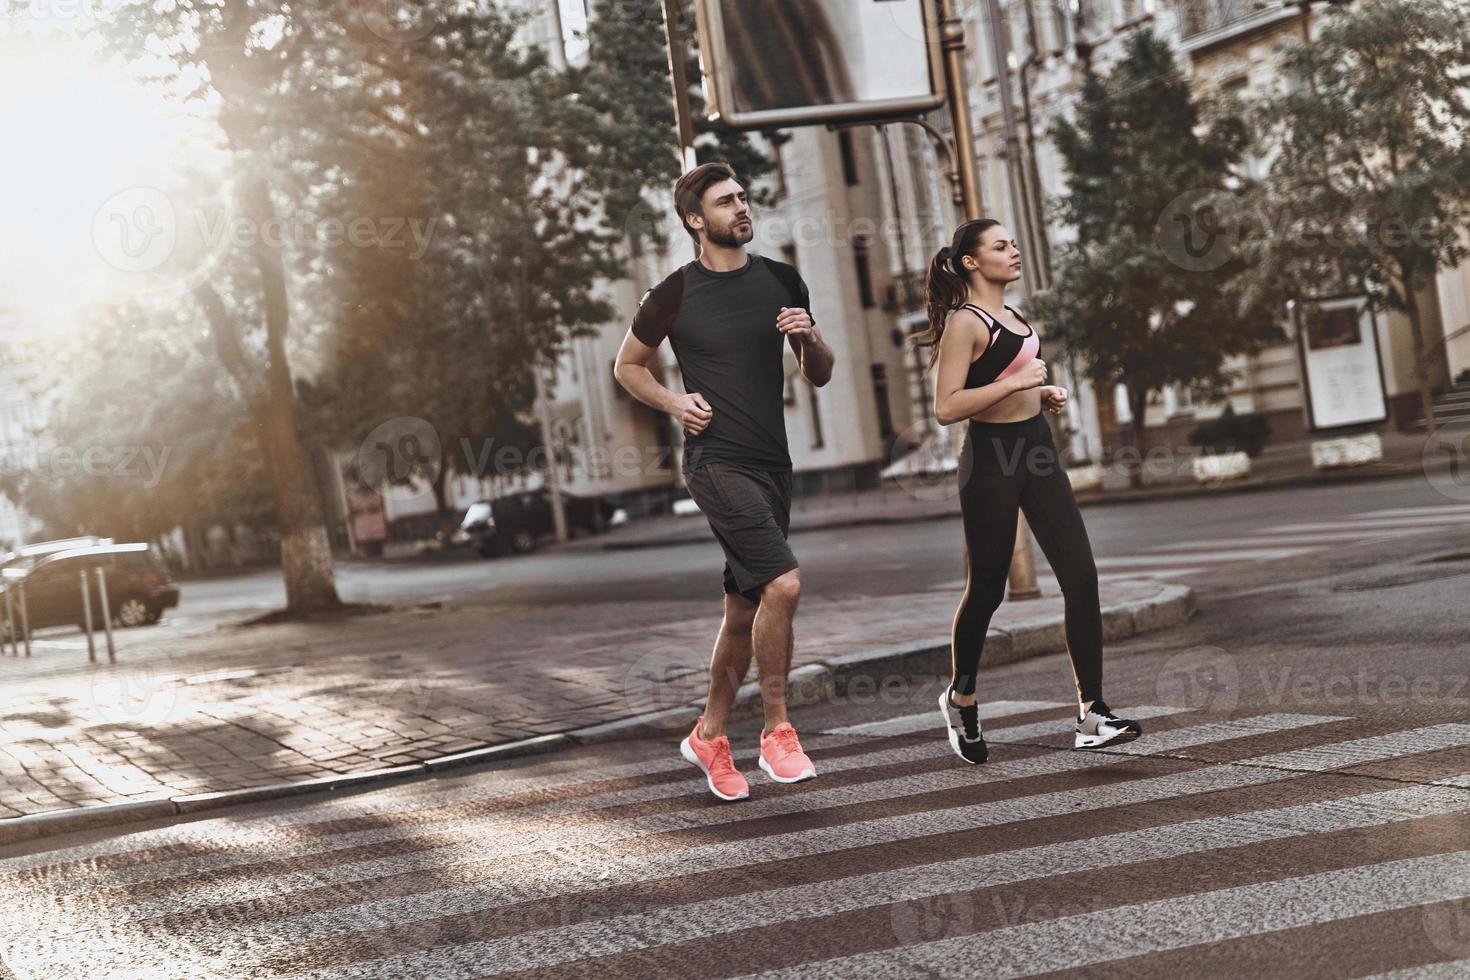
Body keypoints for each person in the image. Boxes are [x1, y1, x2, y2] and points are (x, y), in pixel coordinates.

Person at [613, 162, 836, 801]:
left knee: (745, 608)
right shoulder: (673, 294)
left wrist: (811, 335)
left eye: (742, 197)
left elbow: (818, 373)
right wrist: (674, 403)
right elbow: (628, 365)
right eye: (725, 201)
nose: (741, 208)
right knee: (784, 584)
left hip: (773, 465)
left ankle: (709, 734)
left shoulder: (781, 280)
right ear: (695, 220)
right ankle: (776, 729)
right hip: (715, 462)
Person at [913, 218, 1142, 765]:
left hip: (1035, 449)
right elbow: (947, 407)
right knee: (988, 588)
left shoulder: (1014, 315)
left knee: (1080, 575)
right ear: (971, 262)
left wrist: (1043, 393)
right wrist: (1018, 384)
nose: (1013, 251)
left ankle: (1092, 713)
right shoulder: (964, 323)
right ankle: (961, 696)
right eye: (1000, 246)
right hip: (991, 459)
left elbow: (1015, 381)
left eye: (1014, 242)